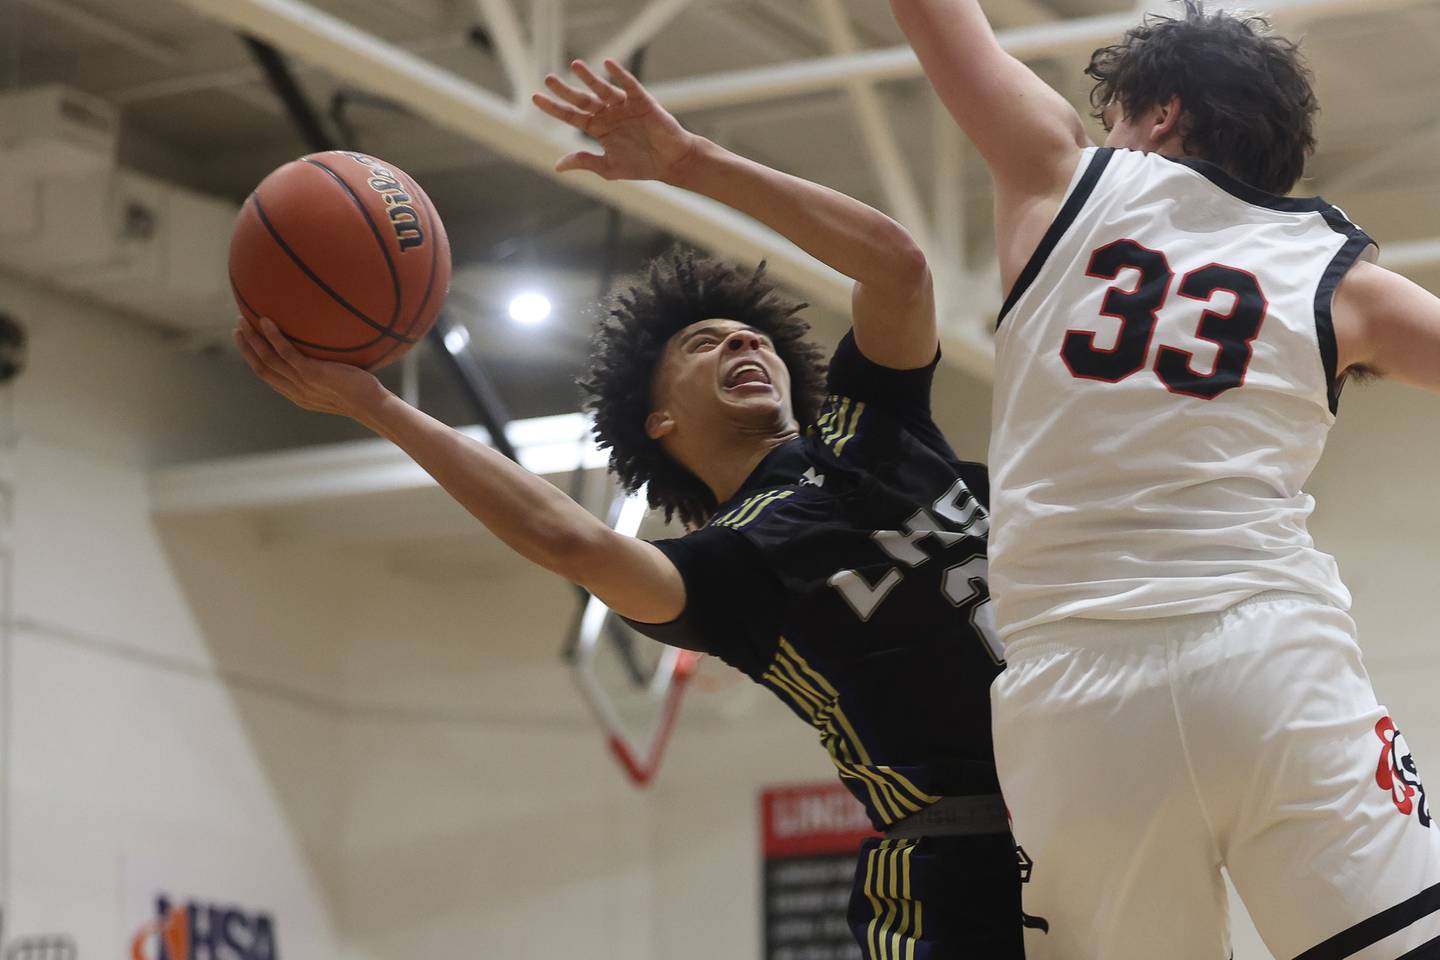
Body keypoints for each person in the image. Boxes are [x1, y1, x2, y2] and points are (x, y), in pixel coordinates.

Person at [237, 58, 1027, 958]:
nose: (741, 338)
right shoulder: (728, 571)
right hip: (957, 857)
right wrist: (376, 405)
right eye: (704, 342)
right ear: (660, 420)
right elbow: (564, 539)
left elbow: (897, 265)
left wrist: (691, 161)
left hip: (1101, 769)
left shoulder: (876, 426)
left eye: (751, 333)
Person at [888, 0, 1440, 957]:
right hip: (1270, 661)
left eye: (1115, 118)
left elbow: (940, 20)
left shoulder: (1061, 177)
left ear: (1162, 112)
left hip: (1075, 703)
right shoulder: (1343, 280)